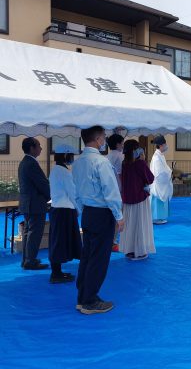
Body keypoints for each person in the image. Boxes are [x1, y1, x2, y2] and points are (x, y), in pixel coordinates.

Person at [72, 126, 124, 315]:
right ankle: (89, 300)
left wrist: (81, 210)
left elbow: (75, 191)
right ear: (97, 139)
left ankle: (83, 296)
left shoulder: (78, 163)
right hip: (102, 214)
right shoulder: (100, 162)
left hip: (88, 213)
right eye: (103, 137)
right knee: (99, 259)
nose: (104, 141)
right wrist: (119, 216)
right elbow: (110, 191)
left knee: (87, 257)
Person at [48, 144, 82, 284]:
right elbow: (72, 193)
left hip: (58, 209)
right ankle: (56, 274)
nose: (72, 158)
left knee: (58, 241)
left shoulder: (56, 170)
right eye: (71, 155)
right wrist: (79, 209)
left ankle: (57, 272)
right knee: (60, 242)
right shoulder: (63, 172)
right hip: (65, 210)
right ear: (65, 155)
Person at [18, 137, 50, 270]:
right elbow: (42, 184)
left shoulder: (24, 162)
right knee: (34, 233)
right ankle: (30, 260)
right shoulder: (31, 163)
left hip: (27, 203)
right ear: (32, 148)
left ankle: (27, 259)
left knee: (28, 232)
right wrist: (51, 196)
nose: (41, 148)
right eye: (38, 145)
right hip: (35, 204)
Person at [120, 140, 155, 260]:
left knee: (129, 226)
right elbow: (150, 178)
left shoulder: (124, 163)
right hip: (139, 198)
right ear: (135, 150)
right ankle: (139, 251)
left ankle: (129, 250)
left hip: (127, 199)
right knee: (140, 224)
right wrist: (143, 160)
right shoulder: (140, 163)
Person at [106, 134, 124, 252]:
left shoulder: (107, 156)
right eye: (122, 143)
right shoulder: (120, 156)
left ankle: (109, 240)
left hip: (108, 189)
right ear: (118, 144)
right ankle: (113, 242)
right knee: (118, 216)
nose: (123, 145)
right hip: (118, 189)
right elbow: (121, 174)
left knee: (109, 216)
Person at [150, 135, 173, 224]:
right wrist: (169, 173)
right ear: (161, 145)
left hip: (162, 182)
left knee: (160, 200)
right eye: (165, 144)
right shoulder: (156, 158)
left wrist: (169, 172)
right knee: (158, 199)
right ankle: (156, 218)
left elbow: (165, 168)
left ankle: (160, 217)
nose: (166, 145)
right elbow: (159, 173)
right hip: (158, 183)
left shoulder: (160, 156)